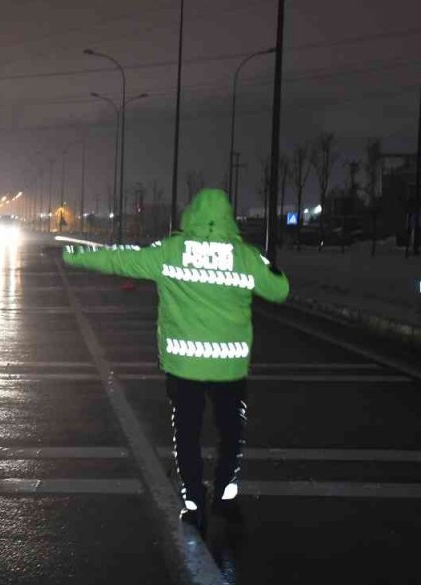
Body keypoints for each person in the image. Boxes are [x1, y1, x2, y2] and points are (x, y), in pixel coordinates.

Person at [62, 188, 289, 531]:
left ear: (191, 214)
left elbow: (120, 259)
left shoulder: (171, 251)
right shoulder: (245, 257)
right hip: (230, 369)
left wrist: (74, 255)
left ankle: (194, 500)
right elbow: (280, 290)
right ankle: (226, 493)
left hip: (184, 368)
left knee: (187, 433)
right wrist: (268, 263)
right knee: (230, 431)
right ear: (229, 216)